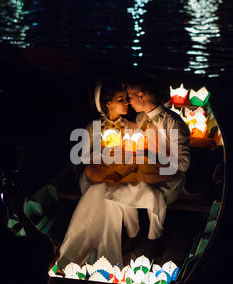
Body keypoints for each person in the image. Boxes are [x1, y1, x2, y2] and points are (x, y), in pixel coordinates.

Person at [57, 80, 162, 269]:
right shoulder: (93, 127)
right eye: (120, 99)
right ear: (108, 103)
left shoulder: (131, 127)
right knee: (103, 188)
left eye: (125, 99)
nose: (126, 103)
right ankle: (108, 244)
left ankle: (117, 242)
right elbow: (80, 158)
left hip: (121, 177)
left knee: (110, 189)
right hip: (93, 177)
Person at [104, 75, 191, 258]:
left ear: (141, 96)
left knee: (153, 193)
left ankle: (154, 238)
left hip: (170, 177)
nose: (128, 101)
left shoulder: (172, 122)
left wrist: (153, 159)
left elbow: (183, 164)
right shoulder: (140, 119)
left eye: (130, 96)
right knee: (118, 189)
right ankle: (133, 233)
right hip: (147, 174)